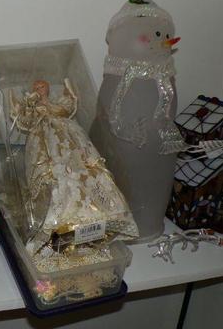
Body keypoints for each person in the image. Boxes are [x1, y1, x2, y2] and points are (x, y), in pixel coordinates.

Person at [9, 78, 138, 254]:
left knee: (82, 168)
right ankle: (54, 220)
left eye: (42, 86)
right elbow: (24, 120)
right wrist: (29, 105)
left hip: (67, 137)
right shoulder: (33, 108)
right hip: (42, 143)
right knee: (51, 177)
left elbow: (65, 109)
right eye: (36, 87)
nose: (39, 89)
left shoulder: (57, 104)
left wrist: (46, 104)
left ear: (47, 89)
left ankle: (94, 215)